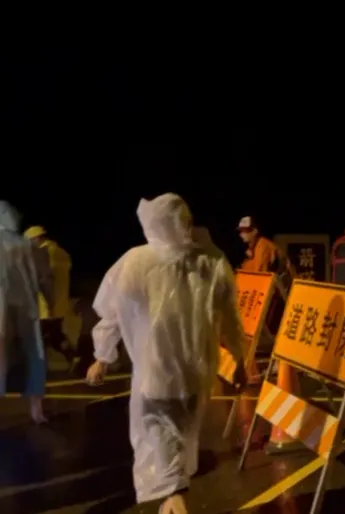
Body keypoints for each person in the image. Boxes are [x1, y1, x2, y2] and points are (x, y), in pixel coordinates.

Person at [85, 194, 246, 513]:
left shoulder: (134, 262)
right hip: (197, 375)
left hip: (155, 373)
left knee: (159, 438)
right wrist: (240, 360)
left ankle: (175, 499)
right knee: (182, 439)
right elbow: (231, 318)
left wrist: (102, 357)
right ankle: (174, 496)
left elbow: (112, 314)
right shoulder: (210, 261)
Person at [0, 202, 53, 424]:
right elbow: (45, 279)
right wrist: (49, 302)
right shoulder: (30, 246)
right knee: (34, 351)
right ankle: (36, 409)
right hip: (27, 306)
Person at [24, 226, 77, 366]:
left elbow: (45, 280)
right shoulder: (62, 253)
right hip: (60, 305)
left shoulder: (42, 253)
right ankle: (73, 356)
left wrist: (48, 304)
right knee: (56, 337)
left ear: (37, 238)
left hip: (46, 306)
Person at [237, 216, 294, 289]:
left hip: (283, 289)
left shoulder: (263, 246)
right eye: (240, 231)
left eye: (245, 231)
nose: (241, 234)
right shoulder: (252, 248)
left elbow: (260, 276)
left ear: (254, 231)